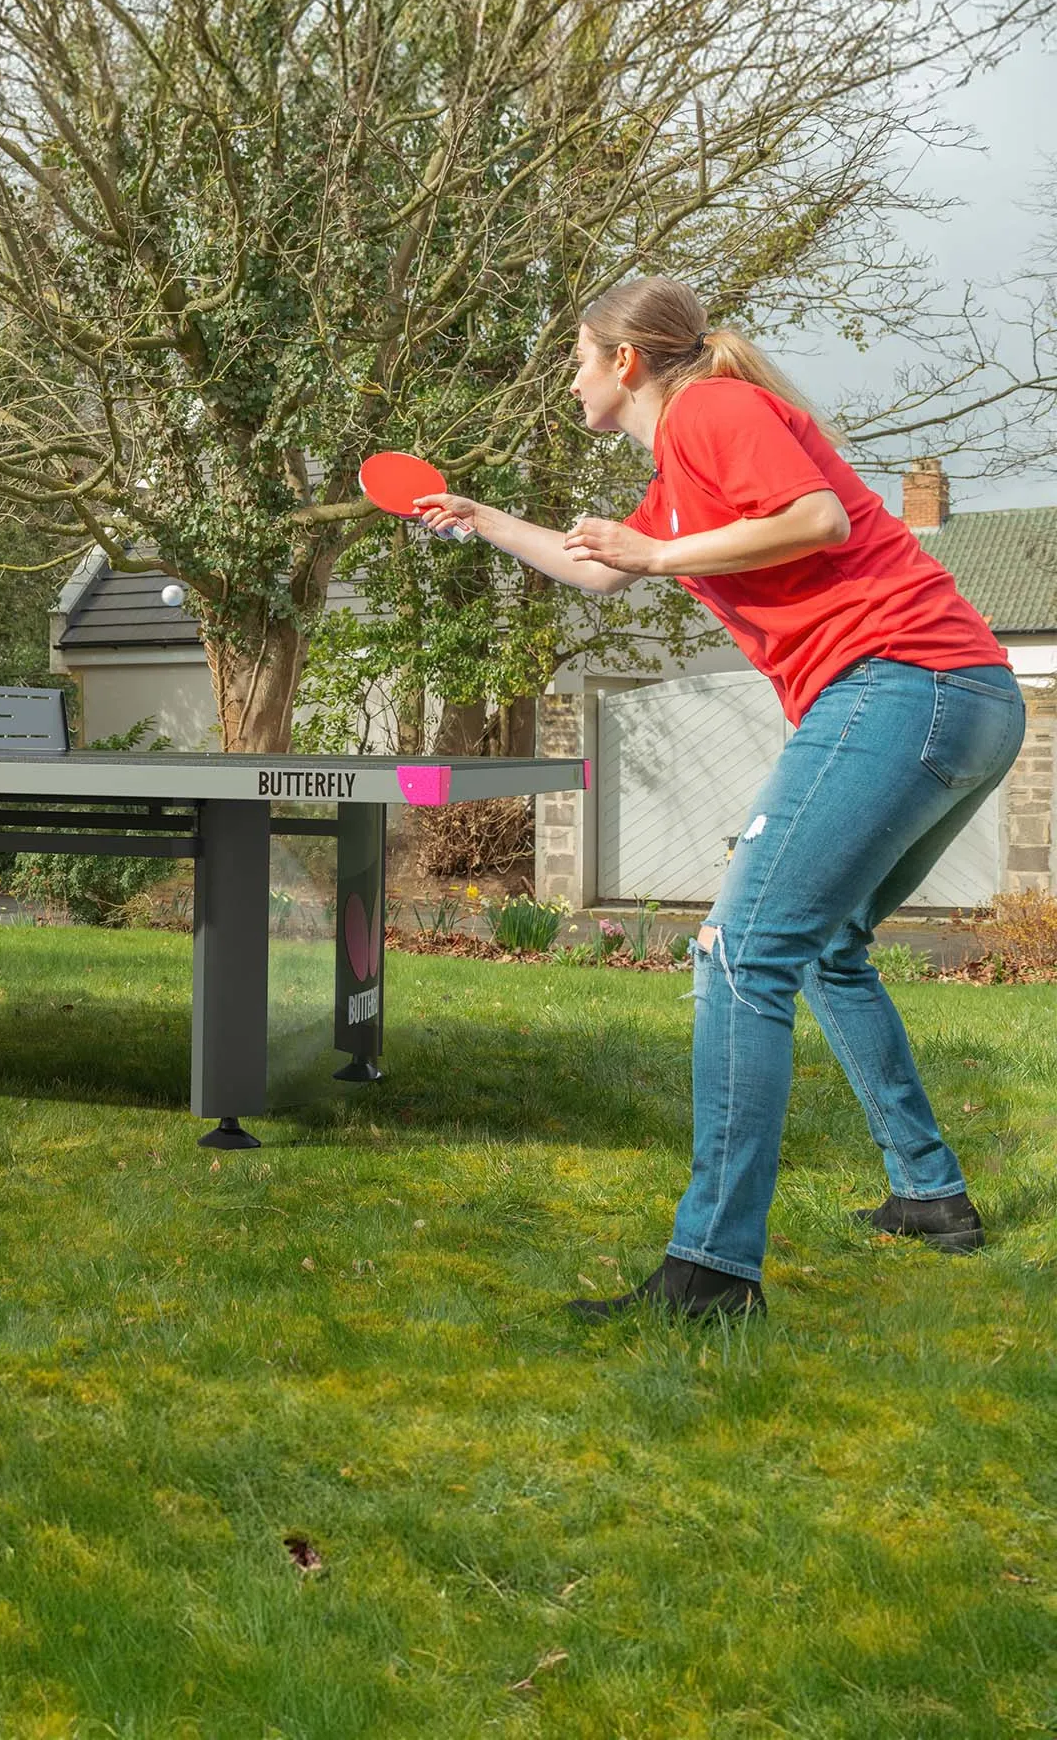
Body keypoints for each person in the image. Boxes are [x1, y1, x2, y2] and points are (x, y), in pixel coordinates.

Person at [413, 276, 1024, 1319]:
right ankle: (929, 1195)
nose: (567, 380)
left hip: (900, 683)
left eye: (574, 359)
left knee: (739, 952)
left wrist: (656, 551)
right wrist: (479, 516)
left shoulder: (710, 410)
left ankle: (709, 1271)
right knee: (823, 946)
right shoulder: (673, 471)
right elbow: (598, 568)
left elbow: (815, 517)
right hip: (960, 696)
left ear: (625, 361)